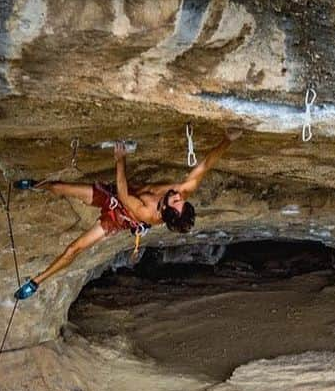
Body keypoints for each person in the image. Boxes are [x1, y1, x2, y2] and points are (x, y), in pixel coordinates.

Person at [12, 128, 238, 300]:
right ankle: (36, 185)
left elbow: (122, 193)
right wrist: (227, 140)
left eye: (175, 202)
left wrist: (120, 159)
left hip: (118, 216)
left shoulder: (149, 213)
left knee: (75, 248)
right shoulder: (181, 193)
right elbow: (205, 166)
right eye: (180, 200)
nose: (178, 196)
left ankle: (36, 282)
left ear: (166, 211)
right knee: (60, 187)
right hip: (119, 195)